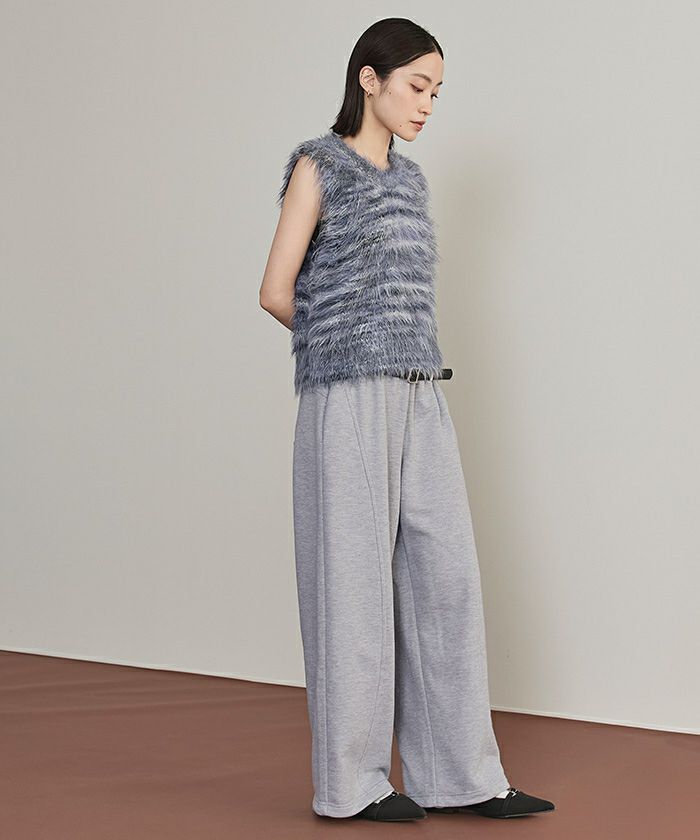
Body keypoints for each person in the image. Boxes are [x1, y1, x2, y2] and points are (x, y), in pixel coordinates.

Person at [259, 17, 556, 823]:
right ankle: (352, 784)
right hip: (349, 391)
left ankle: (461, 775)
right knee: (352, 586)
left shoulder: (412, 182)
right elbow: (276, 289)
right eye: (417, 85)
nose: (427, 104)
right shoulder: (319, 166)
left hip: (422, 390)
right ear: (370, 78)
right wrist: (346, 344)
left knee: (444, 580)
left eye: (437, 92)